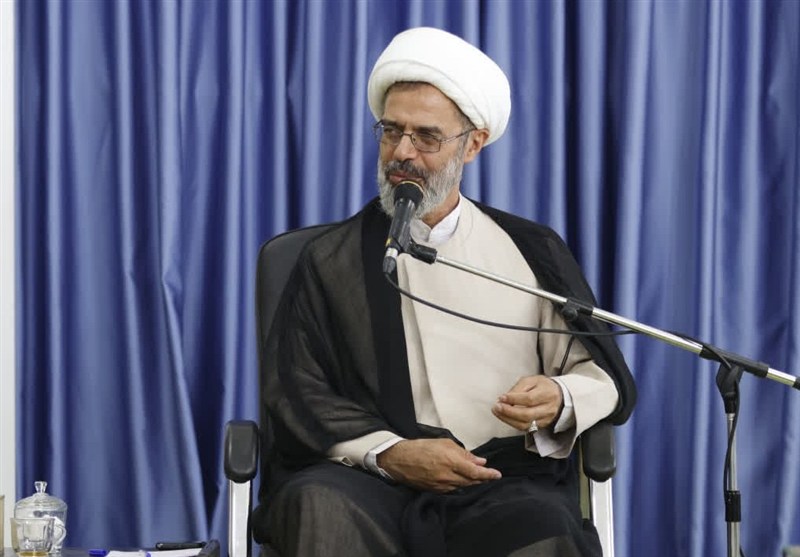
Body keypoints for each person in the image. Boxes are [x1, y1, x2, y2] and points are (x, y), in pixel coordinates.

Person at [257, 27, 636, 557]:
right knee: (317, 506)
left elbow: (598, 373)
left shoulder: (530, 250)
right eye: (391, 131)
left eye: (426, 137)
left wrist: (560, 398)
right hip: (369, 480)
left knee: (543, 527)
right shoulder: (330, 259)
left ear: (473, 144)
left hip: (499, 480)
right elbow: (297, 390)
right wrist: (390, 453)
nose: (402, 153)